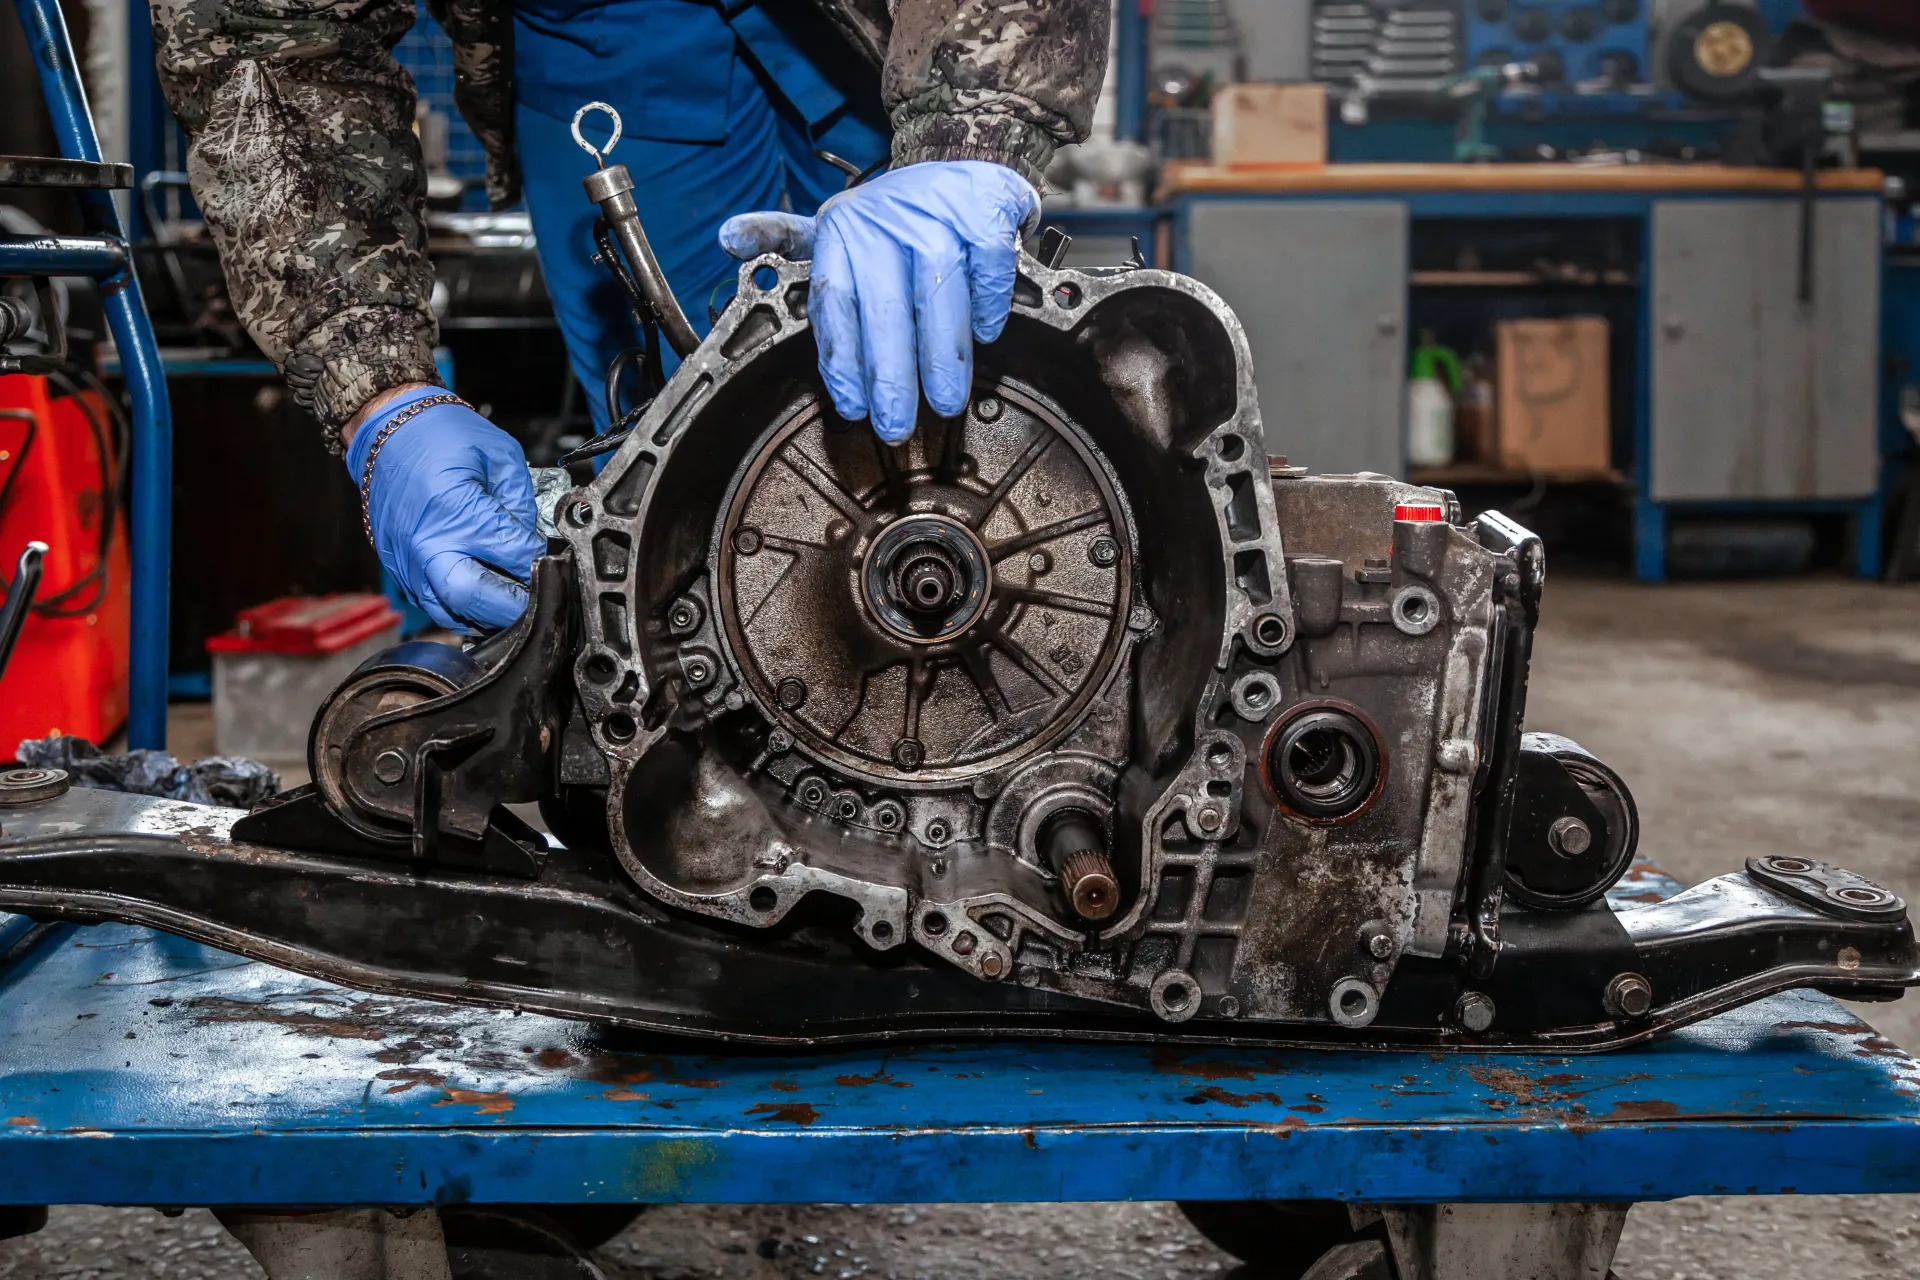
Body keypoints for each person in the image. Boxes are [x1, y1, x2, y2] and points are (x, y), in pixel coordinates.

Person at [150, 0, 1109, 631]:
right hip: (604, 29)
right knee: (682, 490)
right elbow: (263, 41)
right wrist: (378, 398)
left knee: (946, 362)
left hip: (891, 23)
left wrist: (973, 130)